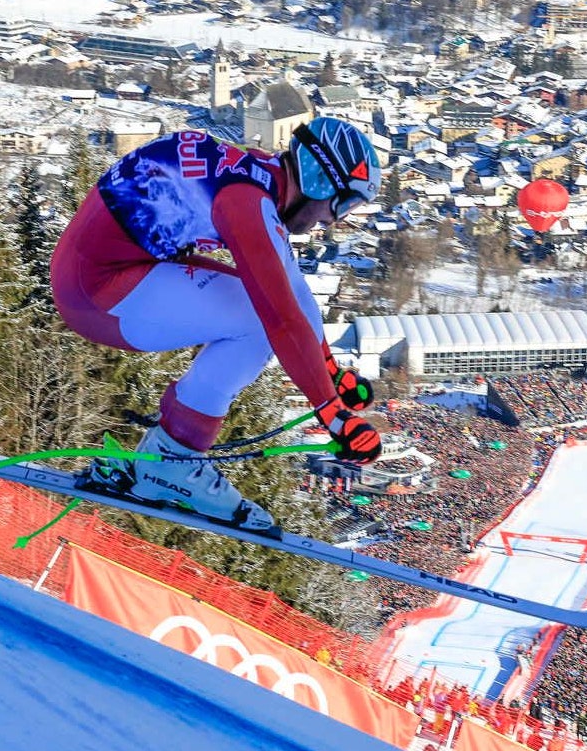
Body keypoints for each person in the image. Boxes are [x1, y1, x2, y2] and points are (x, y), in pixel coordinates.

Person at [51, 117, 382, 532]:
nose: (334, 221)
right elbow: (282, 317)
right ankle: (173, 460)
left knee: (259, 304)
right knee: (258, 322)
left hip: (103, 273)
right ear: (319, 180)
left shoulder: (260, 178)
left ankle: (172, 453)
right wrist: (332, 415)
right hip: (97, 294)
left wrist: (329, 373)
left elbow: (293, 289)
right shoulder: (247, 201)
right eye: (342, 204)